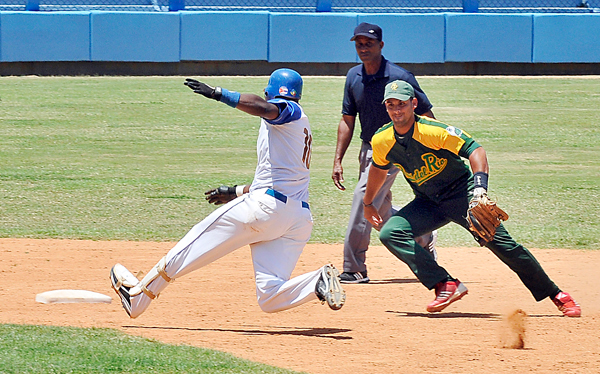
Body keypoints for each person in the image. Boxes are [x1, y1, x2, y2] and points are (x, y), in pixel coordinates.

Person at [109, 68, 346, 318]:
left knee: (193, 242)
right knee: (270, 296)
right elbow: (279, 177)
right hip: (296, 220)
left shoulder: (289, 112)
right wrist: (235, 192)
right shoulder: (298, 128)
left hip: (267, 208)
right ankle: (316, 282)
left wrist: (219, 94)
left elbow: (266, 108)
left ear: (269, 92)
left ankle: (137, 298)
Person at [363, 79, 581, 317]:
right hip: (428, 202)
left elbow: (475, 150)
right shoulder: (382, 139)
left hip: (462, 196)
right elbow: (378, 168)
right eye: (391, 104)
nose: (397, 110)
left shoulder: (432, 130)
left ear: (413, 104)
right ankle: (445, 284)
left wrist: (479, 189)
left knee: (505, 247)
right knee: (391, 232)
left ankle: (556, 294)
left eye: (402, 104)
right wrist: (368, 203)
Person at [332, 22, 437, 284]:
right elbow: (347, 119)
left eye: (369, 43)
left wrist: (430, 150)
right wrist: (337, 159)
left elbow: (426, 115)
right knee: (380, 206)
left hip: (399, 148)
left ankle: (353, 267)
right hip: (369, 149)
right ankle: (422, 237)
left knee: (362, 199)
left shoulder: (400, 77)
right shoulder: (354, 77)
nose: (363, 48)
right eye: (359, 44)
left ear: (381, 45)